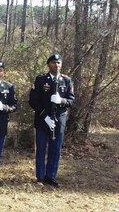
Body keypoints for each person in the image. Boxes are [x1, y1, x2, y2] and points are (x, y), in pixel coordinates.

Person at [29, 54, 75, 187]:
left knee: (55, 149)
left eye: (59, 63)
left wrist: (61, 100)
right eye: (54, 62)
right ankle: (40, 177)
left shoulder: (67, 81)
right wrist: (45, 116)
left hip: (59, 120)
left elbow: (72, 100)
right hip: (42, 120)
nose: (57, 65)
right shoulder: (40, 80)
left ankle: (51, 176)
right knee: (41, 148)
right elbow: (33, 100)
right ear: (49, 64)